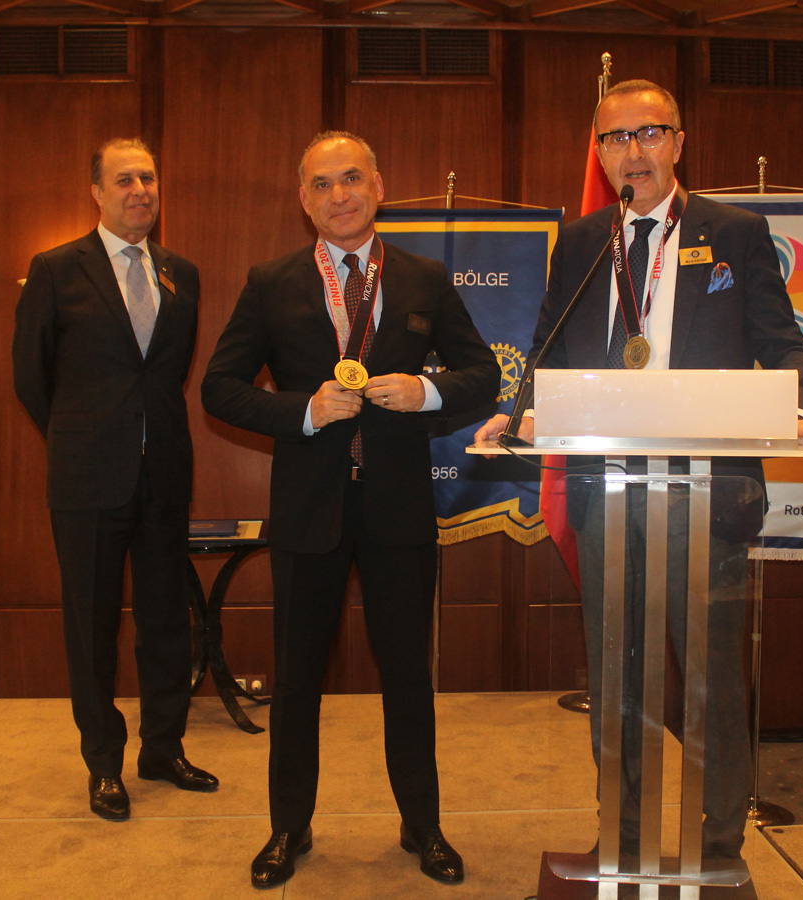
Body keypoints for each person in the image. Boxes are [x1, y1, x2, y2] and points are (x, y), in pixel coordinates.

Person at [475, 80, 803, 862]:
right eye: (614, 138)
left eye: (648, 133)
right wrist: (520, 411)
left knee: (710, 676)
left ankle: (717, 844)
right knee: (617, 674)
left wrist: (794, 404)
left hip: (706, 488)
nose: (631, 151)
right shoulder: (582, 241)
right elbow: (547, 347)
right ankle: (623, 835)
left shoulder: (734, 232)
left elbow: (781, 341)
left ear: (678, 142)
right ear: (599, 151)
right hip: (606, 486)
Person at [201, 131, 500, 888]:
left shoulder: (424, 277)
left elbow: (482, 375)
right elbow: (219, 388)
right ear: (303, 200)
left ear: (378, 186)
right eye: (322, 184)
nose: (339, 195)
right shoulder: (271, 282)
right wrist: (302, 410)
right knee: (297, 680)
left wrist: (425, 392)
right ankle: (288, 828)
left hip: (400, 508)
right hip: (309, 511)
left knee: (408, 678)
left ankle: (422, 825)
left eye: (352, 179)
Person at [12, 138, 218, 821]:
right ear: (97, 192)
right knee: (92, 624)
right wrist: (83, 436)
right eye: (124, 179)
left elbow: (167, 373)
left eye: (148, 178)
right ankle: (103, 763)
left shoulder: (181, 272)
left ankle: (163, 748)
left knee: (166, 619)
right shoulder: (55, 269)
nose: (140, 190)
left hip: (164, 472)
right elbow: (31, 376)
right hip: (87, 477)